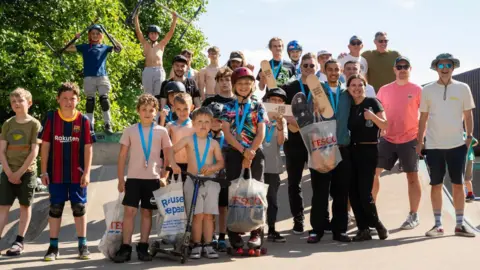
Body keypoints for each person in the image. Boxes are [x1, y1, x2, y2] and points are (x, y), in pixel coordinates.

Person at [417, 53, 476, 237]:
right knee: (436, 185)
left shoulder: (463, 88)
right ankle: (438, 225)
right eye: (441, 65)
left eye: (447, 65)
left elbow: (468, 114)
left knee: (458, 184)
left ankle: (459, 225)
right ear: (436, 68)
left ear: (453, 67)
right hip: (434, 146)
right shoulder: (427, 90)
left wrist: (469, 137)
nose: (444, 69)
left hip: (457, 145)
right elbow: (423, 118)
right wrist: (420, 141)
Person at [38, 82, 96, 261]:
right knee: (56, 208)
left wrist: (87, 172)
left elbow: (88, 148)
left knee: (79, 208)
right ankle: (53, 247)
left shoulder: (84, 120)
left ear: (78, 100)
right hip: (55, 173)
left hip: (77, 174)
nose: (68, 102)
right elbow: (45, 146)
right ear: (58, 99)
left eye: (72, 98)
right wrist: (43, 172)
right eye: (65, 98)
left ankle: (82, 245)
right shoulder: (51, 118)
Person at [114, 94, 172, 262]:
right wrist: (120, 179)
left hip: (153, 179)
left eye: (151, 110)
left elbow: (168, 155)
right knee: (129, 212)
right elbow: (122, 156)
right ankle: (125, 247)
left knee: (147, 212)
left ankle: (143, 246)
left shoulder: (161, 131)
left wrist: (165, 175)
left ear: (156, 112)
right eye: (144, 110)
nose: (147, 113)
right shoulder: (130, 130)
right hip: (133, 178)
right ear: (138, 111)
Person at [220, 67, 266, 247]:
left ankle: (257, 232)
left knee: (256, 194)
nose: (244, 86)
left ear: (253, 85)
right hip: (234, 153)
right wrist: (242, 151)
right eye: (240, 83)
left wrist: (251, 152)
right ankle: (235, 232)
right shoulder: (228, 107)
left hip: (255, 153)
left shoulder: (258, 105)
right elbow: (226, 132)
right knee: (235, 194)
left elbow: (261, 132)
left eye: (248, 83)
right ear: (234, 86)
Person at [170, 107, 224, 259]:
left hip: (210, 181)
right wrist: (174, 165)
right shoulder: (188, 140)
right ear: (193, 123)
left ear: (211, 124)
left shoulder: (213, 143)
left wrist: (212, 167)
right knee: (196, 215)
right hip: (193, 181)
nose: (203, 125)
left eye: (207, 122)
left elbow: (220, 162)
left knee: (208, 215)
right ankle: (196, 244)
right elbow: (170, 151)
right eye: (199, 121)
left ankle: (207, 244)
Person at [375, 56, 422, 230]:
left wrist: (421, 138)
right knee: (374, 174)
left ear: (410, 69)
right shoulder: (384, 90)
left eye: (406, 66)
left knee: (412, 177)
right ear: (394, 69)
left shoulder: (418, 90)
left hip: (409, 139)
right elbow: (378, 113)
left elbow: (424, 115)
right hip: (386, 138)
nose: (402, 69)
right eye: (399, 66)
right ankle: (371, 213)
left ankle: (413, 215)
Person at [308, 59, 352, 243]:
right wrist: (313, 108)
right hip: (322, 147)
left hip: (342, 147)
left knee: (341, 192)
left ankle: (339, 230)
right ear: (325, 71)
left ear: (340, 71)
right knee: (320, 191)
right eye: (330, 70)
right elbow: (308, 115)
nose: (334, 72)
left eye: (336, 69)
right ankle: (316, 230)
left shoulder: (346, 92)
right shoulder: (317, 90)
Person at [347, 74, 389, 241]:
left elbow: (385, 125)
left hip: (369, 149)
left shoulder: (372, 102)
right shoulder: (348, 106)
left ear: (365, 87)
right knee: (353, 193)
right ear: (349, 88)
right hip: (351, 151)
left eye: (360, 85)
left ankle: (378, 225)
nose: (357, 88)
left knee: (365, 192)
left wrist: (373, 117)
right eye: (353, 85)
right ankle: (363, 229)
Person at [0, 88, 41, 256]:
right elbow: (2, 150)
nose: (16, 104)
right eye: (13, 102)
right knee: (3, 206)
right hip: (8, 172)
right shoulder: (8, 124)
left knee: (25, 206)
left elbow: (34, 152)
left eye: (20, 101)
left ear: (29, 103)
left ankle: (19, 241)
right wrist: (9, 172)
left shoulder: (34, 124)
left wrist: (19, 173)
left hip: (27, 173)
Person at [280, 52, 318, 234]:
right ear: (300, 67)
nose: (309, 68)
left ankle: (319, 221)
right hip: (295, 140)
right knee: (294, 183)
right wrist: (297, 122)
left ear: (316, 68)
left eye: (312, 65)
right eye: (306, 65)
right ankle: (298, 220)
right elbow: (279, 109)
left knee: (318, 182)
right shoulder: (289, 87)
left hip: (316, 140)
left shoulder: (321, 88)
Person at [65, 24, 123, 134]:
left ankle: (107, 124)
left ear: (101, 35)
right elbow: (67, 48)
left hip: (102, 76)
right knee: (90, 102)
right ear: (90, 35)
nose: (95, 36)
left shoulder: (105, 47)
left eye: (97, 34)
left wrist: (112, 38)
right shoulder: (85, 47)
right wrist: (74, 39)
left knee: (104, 100)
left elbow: (119, 49)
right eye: (93, 34)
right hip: (89, 77)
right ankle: (90, 126)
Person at [262, 88, 288, 242]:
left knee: (272, 200)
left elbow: (281, 141)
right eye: (273, 100)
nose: (276, 103)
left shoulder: (282, 121)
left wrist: (279, 125)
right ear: (267, 101)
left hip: (274, 165)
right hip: (257, 164)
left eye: (279, 101)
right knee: (256, 199)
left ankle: (271, 229)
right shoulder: (259, 116)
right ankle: (256, 230)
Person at [134, 10, 177, 96]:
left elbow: (170, 33)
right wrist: (136, 17)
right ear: (149, 35)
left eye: (155, 34)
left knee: (158, 93)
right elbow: (138, 32)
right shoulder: (145, 43)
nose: (153, 35)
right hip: (148, 70)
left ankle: (158, 109)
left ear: (158, 35)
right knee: (148, 94)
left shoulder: (162, 44)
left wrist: (174, 19)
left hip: (159, 70)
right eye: (151, 33)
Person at [206, 102, 229, 251]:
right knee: (210, 208)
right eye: (212, 120)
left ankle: (222, 236)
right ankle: (211, 235)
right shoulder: (204, 138)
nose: (215, 123)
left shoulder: (228, 138)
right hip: (208, 176)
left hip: (224, 178)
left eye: (219, 120)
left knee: (222, 208)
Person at [166, 93, 195, 180]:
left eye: (185, 109)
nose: (182, 112)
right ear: (174, 108)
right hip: (175, 166)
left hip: (192, 166)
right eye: (178, 109)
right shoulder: (170, 125)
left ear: (192, 108)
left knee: (190, 192)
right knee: (176, 193)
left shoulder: (195, 125)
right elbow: (162, 140)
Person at [464, 132, 478, 202]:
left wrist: (471, 145)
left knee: (466, 179)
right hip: (463, 158)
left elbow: (476, 141)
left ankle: (470, 194)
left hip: (468, 158)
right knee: (464, 179)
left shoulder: (465, 134)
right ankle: (469, 194)